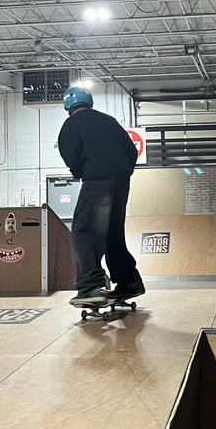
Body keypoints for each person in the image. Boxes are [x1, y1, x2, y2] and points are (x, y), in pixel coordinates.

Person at [57, 86, 144, 307]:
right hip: (121, 181)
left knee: (83, 231)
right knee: (111, 234)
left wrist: (82, 173)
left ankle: (90, 287)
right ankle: (128, 281)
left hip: (97, 181)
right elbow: (131, 151)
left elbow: (70, 155)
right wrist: (123, 172)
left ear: (68, 105)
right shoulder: (109, 121)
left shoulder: (71, 124)